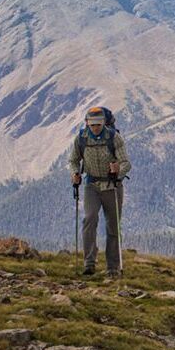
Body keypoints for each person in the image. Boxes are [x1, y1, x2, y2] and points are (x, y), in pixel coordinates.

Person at [68, 107, 131, 277]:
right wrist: (75, 173)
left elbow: (126, 163)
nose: (95, 127)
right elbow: (73, 160)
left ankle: (112, 268)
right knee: (89, 219)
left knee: (113, 226)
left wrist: (118, 170)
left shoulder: (114, 137)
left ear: (104, 123)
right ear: (87, 123)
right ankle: (89, 263)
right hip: (92, 184)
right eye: (92, 124)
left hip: (112, 185)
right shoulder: (81, 138)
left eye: (98, 124)